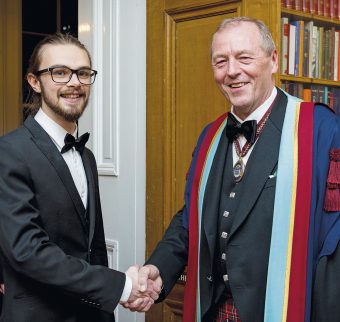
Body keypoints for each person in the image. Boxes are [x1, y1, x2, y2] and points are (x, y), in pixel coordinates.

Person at [132, 17, 340, 322]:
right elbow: (191, 217)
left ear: (272, 61)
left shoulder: (320, 130)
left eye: (244, 58)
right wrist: (158, 269)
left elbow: (334, 240)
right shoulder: (210, 136)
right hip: (215, 312)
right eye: (221, 61)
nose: (232, 71)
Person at [0, 33, 161, 322]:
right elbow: (28, 250)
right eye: (59, 72)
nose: (74, 82)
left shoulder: (86, 157)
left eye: (83, 73)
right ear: (34, 81)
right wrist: (121, 287)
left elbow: (93, 248)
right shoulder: (9, 152)